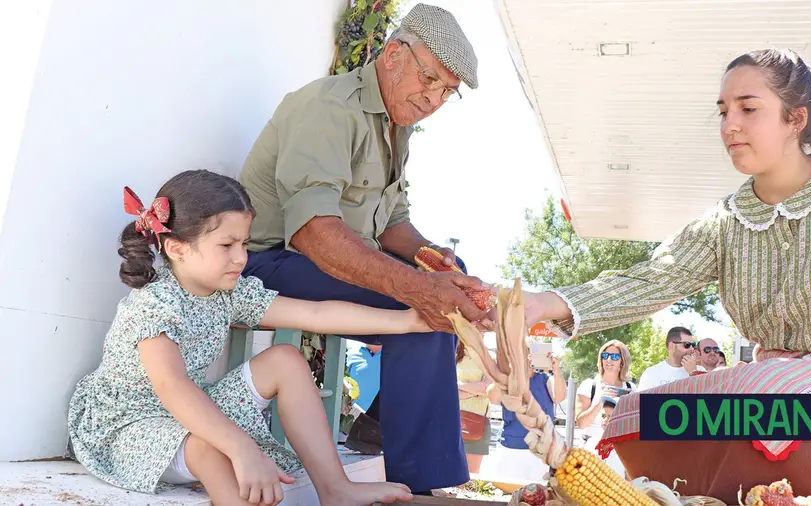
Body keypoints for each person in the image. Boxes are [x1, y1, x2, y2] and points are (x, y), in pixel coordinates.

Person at [518, 48, 811, 505]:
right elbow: (655, 278)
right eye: (723, 111)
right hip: (775, 385)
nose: (729, 125)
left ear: (795, 119)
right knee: (648, 413)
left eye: (748, 108)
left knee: (775, 409)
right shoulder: (727, 218)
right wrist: (547, 303)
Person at [238, 3, 485, 494]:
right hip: (268, 264)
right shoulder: (330, 108)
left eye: (446, 92)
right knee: (425, 305)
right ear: (394, 54)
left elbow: (391, 222)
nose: (433, 98)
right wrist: (420, 286)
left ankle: (376, 424)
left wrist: (432, 258)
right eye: (429, 78)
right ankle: (421, 486)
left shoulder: (397, 123)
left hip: (318, 259)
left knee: (450, 286)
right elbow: (313, 233)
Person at [67, 170, 418, 506]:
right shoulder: (154, 306)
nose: (241, 257)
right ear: (177, 249)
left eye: (244, 243)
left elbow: (315, 314)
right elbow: (173, 387)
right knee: (212, 447)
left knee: (285, 360)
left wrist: (408, 321)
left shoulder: (229, 292)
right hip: (128, 429)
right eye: (227, 244)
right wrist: (242, 448)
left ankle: (336, 489)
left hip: (185, 415)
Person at [480, 351, 567, 485]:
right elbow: (493, 397)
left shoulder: (544, 379)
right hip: (510, 450)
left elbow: (559, 397)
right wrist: (511, 373)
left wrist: (556, 370)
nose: (526, 358)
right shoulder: (507, 380)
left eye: (529, 354)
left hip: (540, 453)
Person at [574, 340, 635, 444]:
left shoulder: (631, 388)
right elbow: (581, 424)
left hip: (618, 450)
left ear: (622, 361)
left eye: (615, 357)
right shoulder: (589, 386)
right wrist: (600, 402)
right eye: (605, 355)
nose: (609, 359)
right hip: (591, 451)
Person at [455, 342, 492, 473]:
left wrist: (458, 385)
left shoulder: (489, 357)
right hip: (448, 421)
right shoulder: (451, 353)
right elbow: (443, 386)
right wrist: (475, 391)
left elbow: (488, 388)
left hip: (477, 424)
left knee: (471, 476)